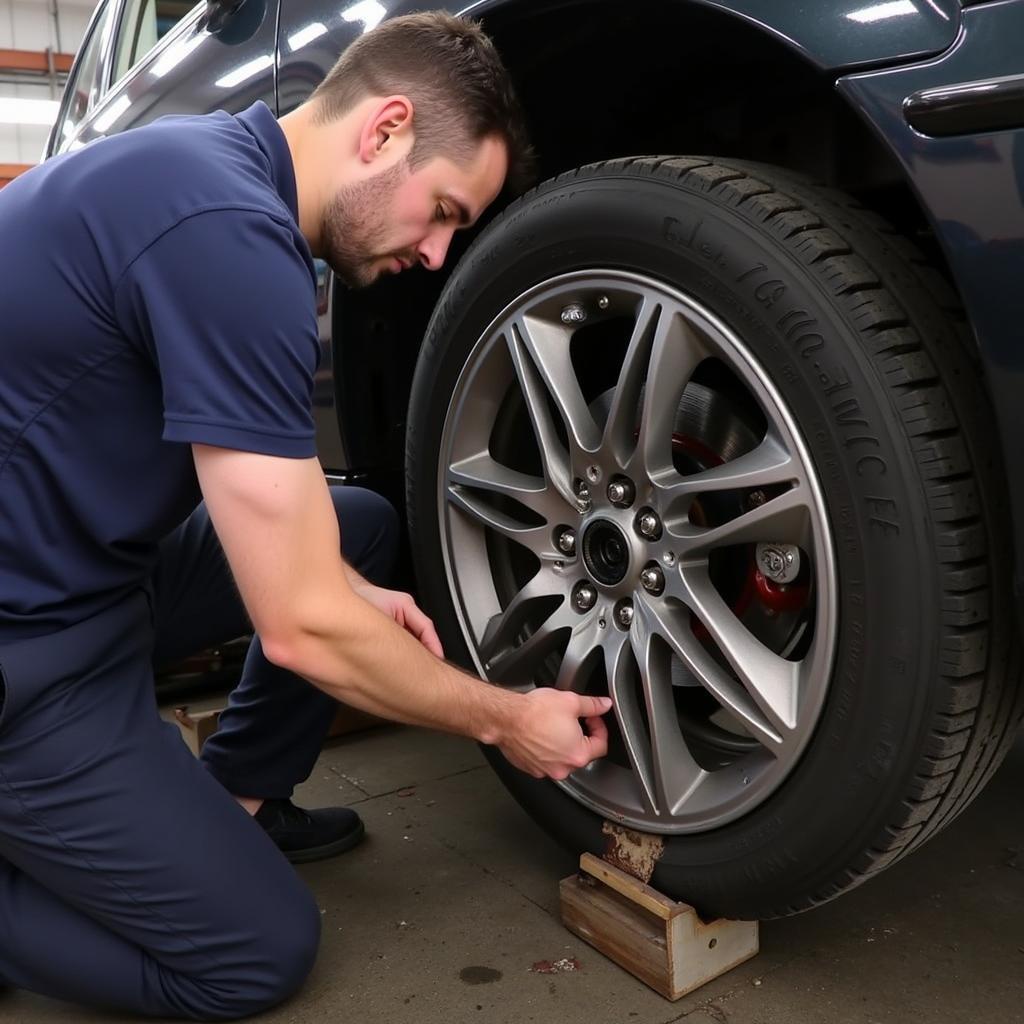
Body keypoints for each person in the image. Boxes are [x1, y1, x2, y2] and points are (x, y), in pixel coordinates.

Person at [0, 11, 612, 1021]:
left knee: (355, 527)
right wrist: (504, 720)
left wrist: (335, 582)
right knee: (257, 954)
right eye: (444, 210)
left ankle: (239, 797)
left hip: (82, 561)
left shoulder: (212, 172)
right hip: (31, 645)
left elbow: (184, 455)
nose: (440, 251)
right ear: (384, 131)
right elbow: (297, 624)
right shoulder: (229, 243)